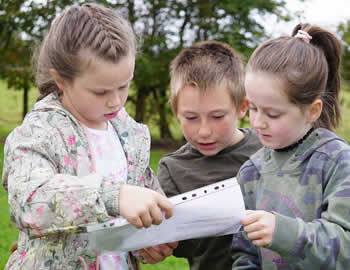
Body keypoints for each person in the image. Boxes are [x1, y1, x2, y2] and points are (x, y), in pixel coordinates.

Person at [2, 3, 177, 270]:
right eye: (100, 92)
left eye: (124, 85)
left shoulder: (130, 135)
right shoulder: (40, 131)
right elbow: (30, 201)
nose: (116, 101)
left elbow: (139, 211)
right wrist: (112, 196)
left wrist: (149, 240)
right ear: (61, 80)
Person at [232, 23, 350, 269]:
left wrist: (283, 233)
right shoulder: (250, 172)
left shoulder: (337, 162)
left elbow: (345, 248)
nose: (258, 122)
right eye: (253, 108)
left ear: (312, 111)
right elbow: (244, 253)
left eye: (273, 114)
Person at [140, 40, 262, 270]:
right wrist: (156, 244)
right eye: (191, 117)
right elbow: (175, 243)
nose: (204, 131)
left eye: (217, 116)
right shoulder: (173, 169)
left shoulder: (266, 149)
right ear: (175, 110)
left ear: (242, 107)